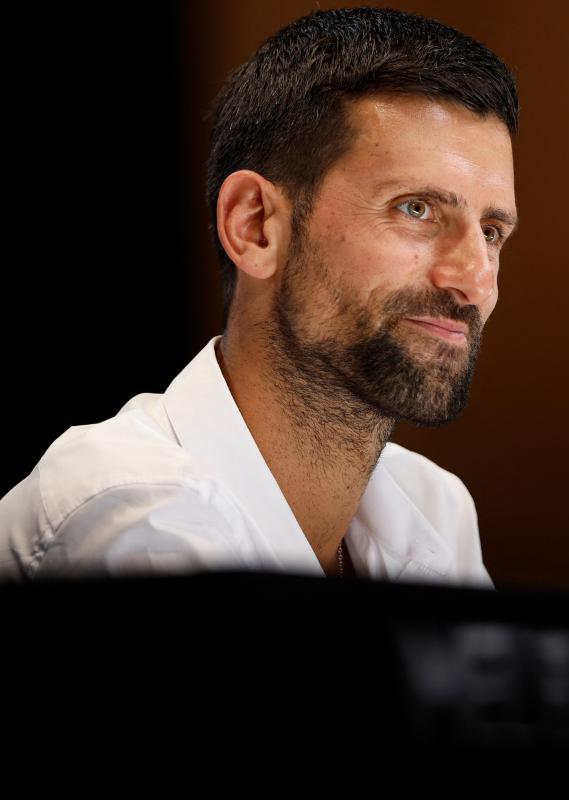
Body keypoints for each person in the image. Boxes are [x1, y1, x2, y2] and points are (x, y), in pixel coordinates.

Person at [0, 8, 518, 586]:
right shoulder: (138, 518)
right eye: (416, 209)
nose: (475, 282)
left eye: (492, 232)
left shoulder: (436, 509)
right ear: (255, 226)